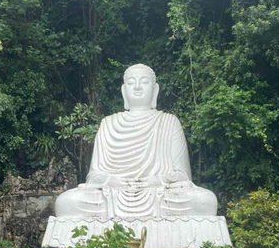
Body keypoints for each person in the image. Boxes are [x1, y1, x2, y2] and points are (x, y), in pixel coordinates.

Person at [55, 64, 218, 218]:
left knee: (205, 201)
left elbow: (182, 176)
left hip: (159, 194)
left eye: (144, 82)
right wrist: (113, 181)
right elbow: (94, 176)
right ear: (124, 91)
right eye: (131, 83)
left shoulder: (169, 122)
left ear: (155, 90)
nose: (138, 87)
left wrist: (156, 181)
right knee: (66, 203)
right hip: (113, 193)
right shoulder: (108, 124)